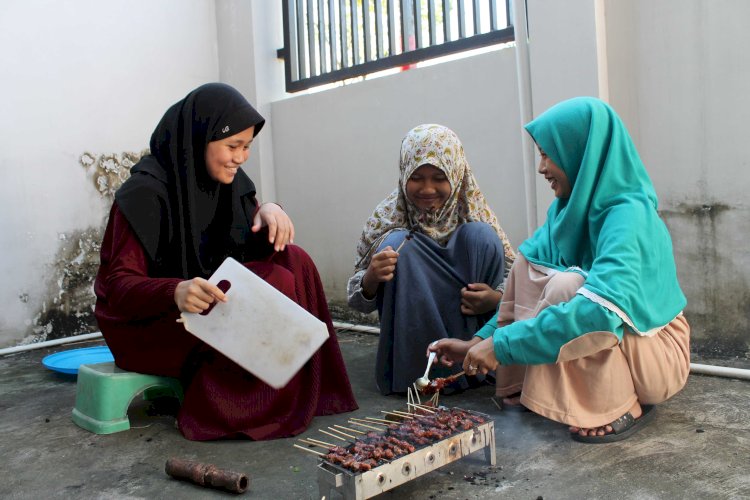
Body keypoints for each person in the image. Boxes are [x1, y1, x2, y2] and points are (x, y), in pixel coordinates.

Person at [94, 83, 358, 441]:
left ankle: (301, 392)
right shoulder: (144, 194)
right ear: (198, 139)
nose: (241, 157)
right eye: (232, 146)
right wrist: (175, 290)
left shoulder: (228, 183)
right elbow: (118, 287)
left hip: (200, 306)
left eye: (247, 147)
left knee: (293, 259)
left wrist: (269, 210)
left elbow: (246, 239)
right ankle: (234, 407)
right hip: (148, 324)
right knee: (275, 281)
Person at [429, 97, 690, 443]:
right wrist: (479, 342)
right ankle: (524, 380)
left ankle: (619, 404)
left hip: (655, 353)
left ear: (580, 151)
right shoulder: (566, 212)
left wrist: (502, 347)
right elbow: (520, 288)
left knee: (570, 287)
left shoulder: (630, 217)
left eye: (548, 154)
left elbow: (596, 313)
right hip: (619, 337)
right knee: (527, 265)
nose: (542, 167)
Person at [347, 124, 515, 395]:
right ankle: (422, 372)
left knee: (481, 237)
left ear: (456, 174)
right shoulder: (387, 220)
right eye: (417, 177)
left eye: (439, 177)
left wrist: (495, 298)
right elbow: (357, 302)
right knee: (398, 246)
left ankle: (474, 356)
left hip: (471, 341)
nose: (427, 188)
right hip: (414, 357)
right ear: (403, 175)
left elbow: (519, 283)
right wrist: (371, 279)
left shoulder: (474, 213)